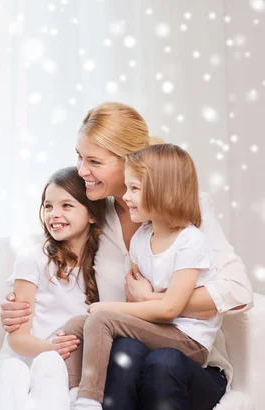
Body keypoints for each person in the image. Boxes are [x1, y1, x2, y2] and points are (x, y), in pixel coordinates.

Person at [0, 102, 253, 410]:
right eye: (79, 157)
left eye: (94, 161)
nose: (82, 171)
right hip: (125, 357)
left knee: (162, 362)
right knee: (125, 353)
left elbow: (238, 291)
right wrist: (21, 309)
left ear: (130, 161)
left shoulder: (184, 210)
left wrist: (156, 301)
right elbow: (50, 256)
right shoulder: (94, 216)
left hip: (184, 363)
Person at [62, 143, 222, 410]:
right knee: (76, 325)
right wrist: (115, 308)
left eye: (134, 189)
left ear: (163, 191)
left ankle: (88, 401)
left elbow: (170, 308)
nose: (125, 196)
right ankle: (73, 391)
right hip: (158, 330)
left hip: (188, 339)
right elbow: (136, 305)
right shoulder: (141, 239)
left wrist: (106, 308)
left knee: (100, 318)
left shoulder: (190, 241)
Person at [0, 167, 106, 410]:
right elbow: (18, 338)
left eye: (66, 206)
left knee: (51, 367)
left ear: (92, 214)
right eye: (48, 206)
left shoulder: (103, 264)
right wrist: (50, 348)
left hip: (62, 367)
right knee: (14, 371)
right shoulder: (32, 259)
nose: (54, 214)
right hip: (26, 358)